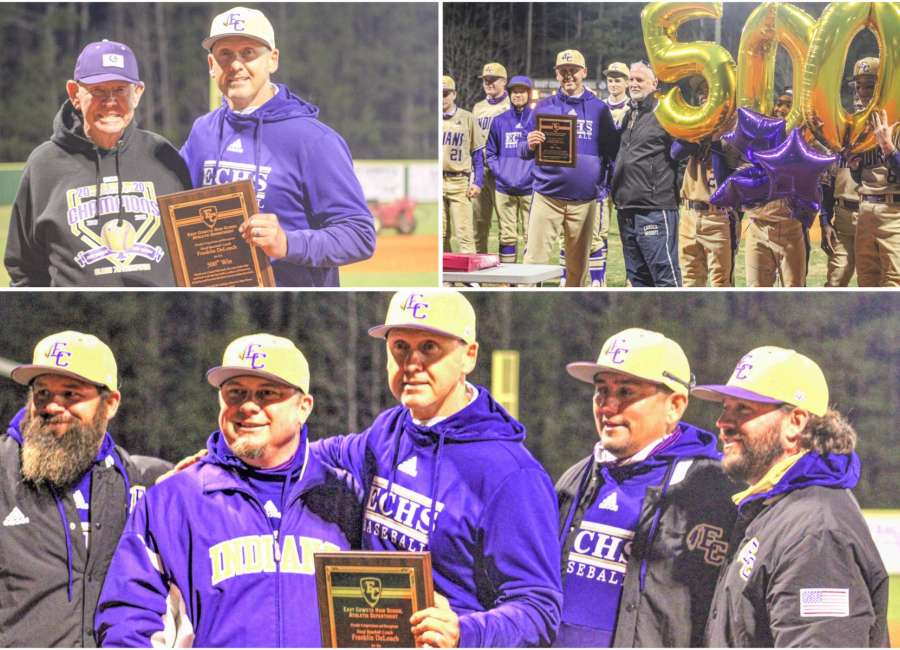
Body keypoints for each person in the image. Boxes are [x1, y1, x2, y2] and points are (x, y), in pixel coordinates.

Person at [314, 289, 563, 647]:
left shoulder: (511, 475)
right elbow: (315, 455)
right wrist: (223, 462)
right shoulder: (390, 430)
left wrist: (465, 632)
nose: (411, 363)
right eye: (400, 346)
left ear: (469, 356)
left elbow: (539, 608)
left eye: (429, 347)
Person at [95, 334, 360, 646]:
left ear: (303, 407)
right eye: (235, 393)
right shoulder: (174, 500)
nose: (248, 406)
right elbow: (129, 618)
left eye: (266, 393)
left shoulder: (346, 498)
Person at [694, 346, 889, 647]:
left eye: (743, 409)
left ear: (795, 423)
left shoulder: (816, 530)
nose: (723, 423)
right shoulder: (776, 508)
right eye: (725, 407)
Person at [556, 328, 736, 647]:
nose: (608, 407)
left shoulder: (711, 490)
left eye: (626, 393)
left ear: (675, 405)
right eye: (601, 391)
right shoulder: (578, 476)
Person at [180, 6, 375, 287]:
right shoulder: (203, 131)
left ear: (272, 60)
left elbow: (359, 235)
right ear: (212, 65)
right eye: (225, 54)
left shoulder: (314, 141)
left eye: (248, 52)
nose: (235, 64)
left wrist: (287, 242)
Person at [0, 331, 167, 647]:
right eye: (42, 393)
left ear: (111, 403)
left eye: (70, 395)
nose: (52, 406)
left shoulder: (140, 481)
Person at [4, 40, 191, 287]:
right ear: (74, 94)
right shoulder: (44, 165)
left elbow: (191, 250)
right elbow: (24, 268)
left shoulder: (163, 155)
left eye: (120, 89)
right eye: (98, 90)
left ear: (137, 93)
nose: (110, 101)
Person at [521, 50, 620, 287]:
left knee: (578, 269)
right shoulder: (543, 107)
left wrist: (603, 186)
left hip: (584, 201)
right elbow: (523, 151)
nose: (569, 76)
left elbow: (611, 151)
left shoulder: (599, 109)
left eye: (573, 71)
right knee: (533, 265)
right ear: (556, 74)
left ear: (584, 72)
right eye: (563, 71)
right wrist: (529, 144)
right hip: (547, 195)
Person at [611, 62, 682, 287]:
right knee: (637, 279)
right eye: (631, 79)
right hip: (626, 208)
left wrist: (674, 193)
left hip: (654, 208)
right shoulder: (630, 114)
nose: (633, 84)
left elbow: (682, 155)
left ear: (654, 83)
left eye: (639, 80)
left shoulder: (665, 114)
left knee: (665, 277)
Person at [671, 78, 740, 287]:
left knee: (720, 283)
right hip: (689, 213)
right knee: (690, 281)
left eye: (708, 90)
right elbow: (676, 152)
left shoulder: (734, 125)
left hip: (718, 215)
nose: (702, 95)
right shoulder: (697, 124)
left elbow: (722, 181)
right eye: (700, 91)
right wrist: (699, 131)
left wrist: (716, 137)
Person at [742, 90, 809, 287]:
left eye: (788, 104)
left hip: (790, 226)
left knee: (794, 292)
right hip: (757, 225)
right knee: (755, 294)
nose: (780, 109)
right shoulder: (757, 139)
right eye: (778, 103)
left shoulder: (806, 142)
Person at [848, 57, 900, 286]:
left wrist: (889, 148)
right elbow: (862, 175)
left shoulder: (897, 122)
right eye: (859, 86)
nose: (862, 92)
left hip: (894, 212)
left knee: (894, 284)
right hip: (865, 210)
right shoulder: (858, 125)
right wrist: (855, 167)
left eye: (869, 86)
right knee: (866, 283)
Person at [485, 75, 534, 263]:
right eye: (514, 92)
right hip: (504, 188)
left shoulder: (538, 119)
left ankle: (529, 281)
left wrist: (534, 175)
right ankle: (507, 279)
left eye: (522, 92)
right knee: (507, 236)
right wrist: (502, 175)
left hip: (530, 187)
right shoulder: (499, 121)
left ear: (529, 94)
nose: (518, 95)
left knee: (532, 236)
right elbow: (491, 153)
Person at [472, 62, 511, 253]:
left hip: (503, 170)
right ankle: (480, 272)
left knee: (506, 224)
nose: (488, 83)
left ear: (503, 81)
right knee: (479, 223)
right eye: (485, 80)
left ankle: (507, 273)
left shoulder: (511, 105)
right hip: (482, 170)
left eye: (492, 80)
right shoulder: (478, 107)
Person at [442, 75, 482, 253]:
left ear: (454, 94)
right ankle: (446, 279)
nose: (442, 98)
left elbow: (477, 153)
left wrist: (478, 181)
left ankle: (470, 281)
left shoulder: (467, 118)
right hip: (438, 180)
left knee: (465, 235)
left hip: (459, 182)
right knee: (441, 236)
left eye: (445, 93)